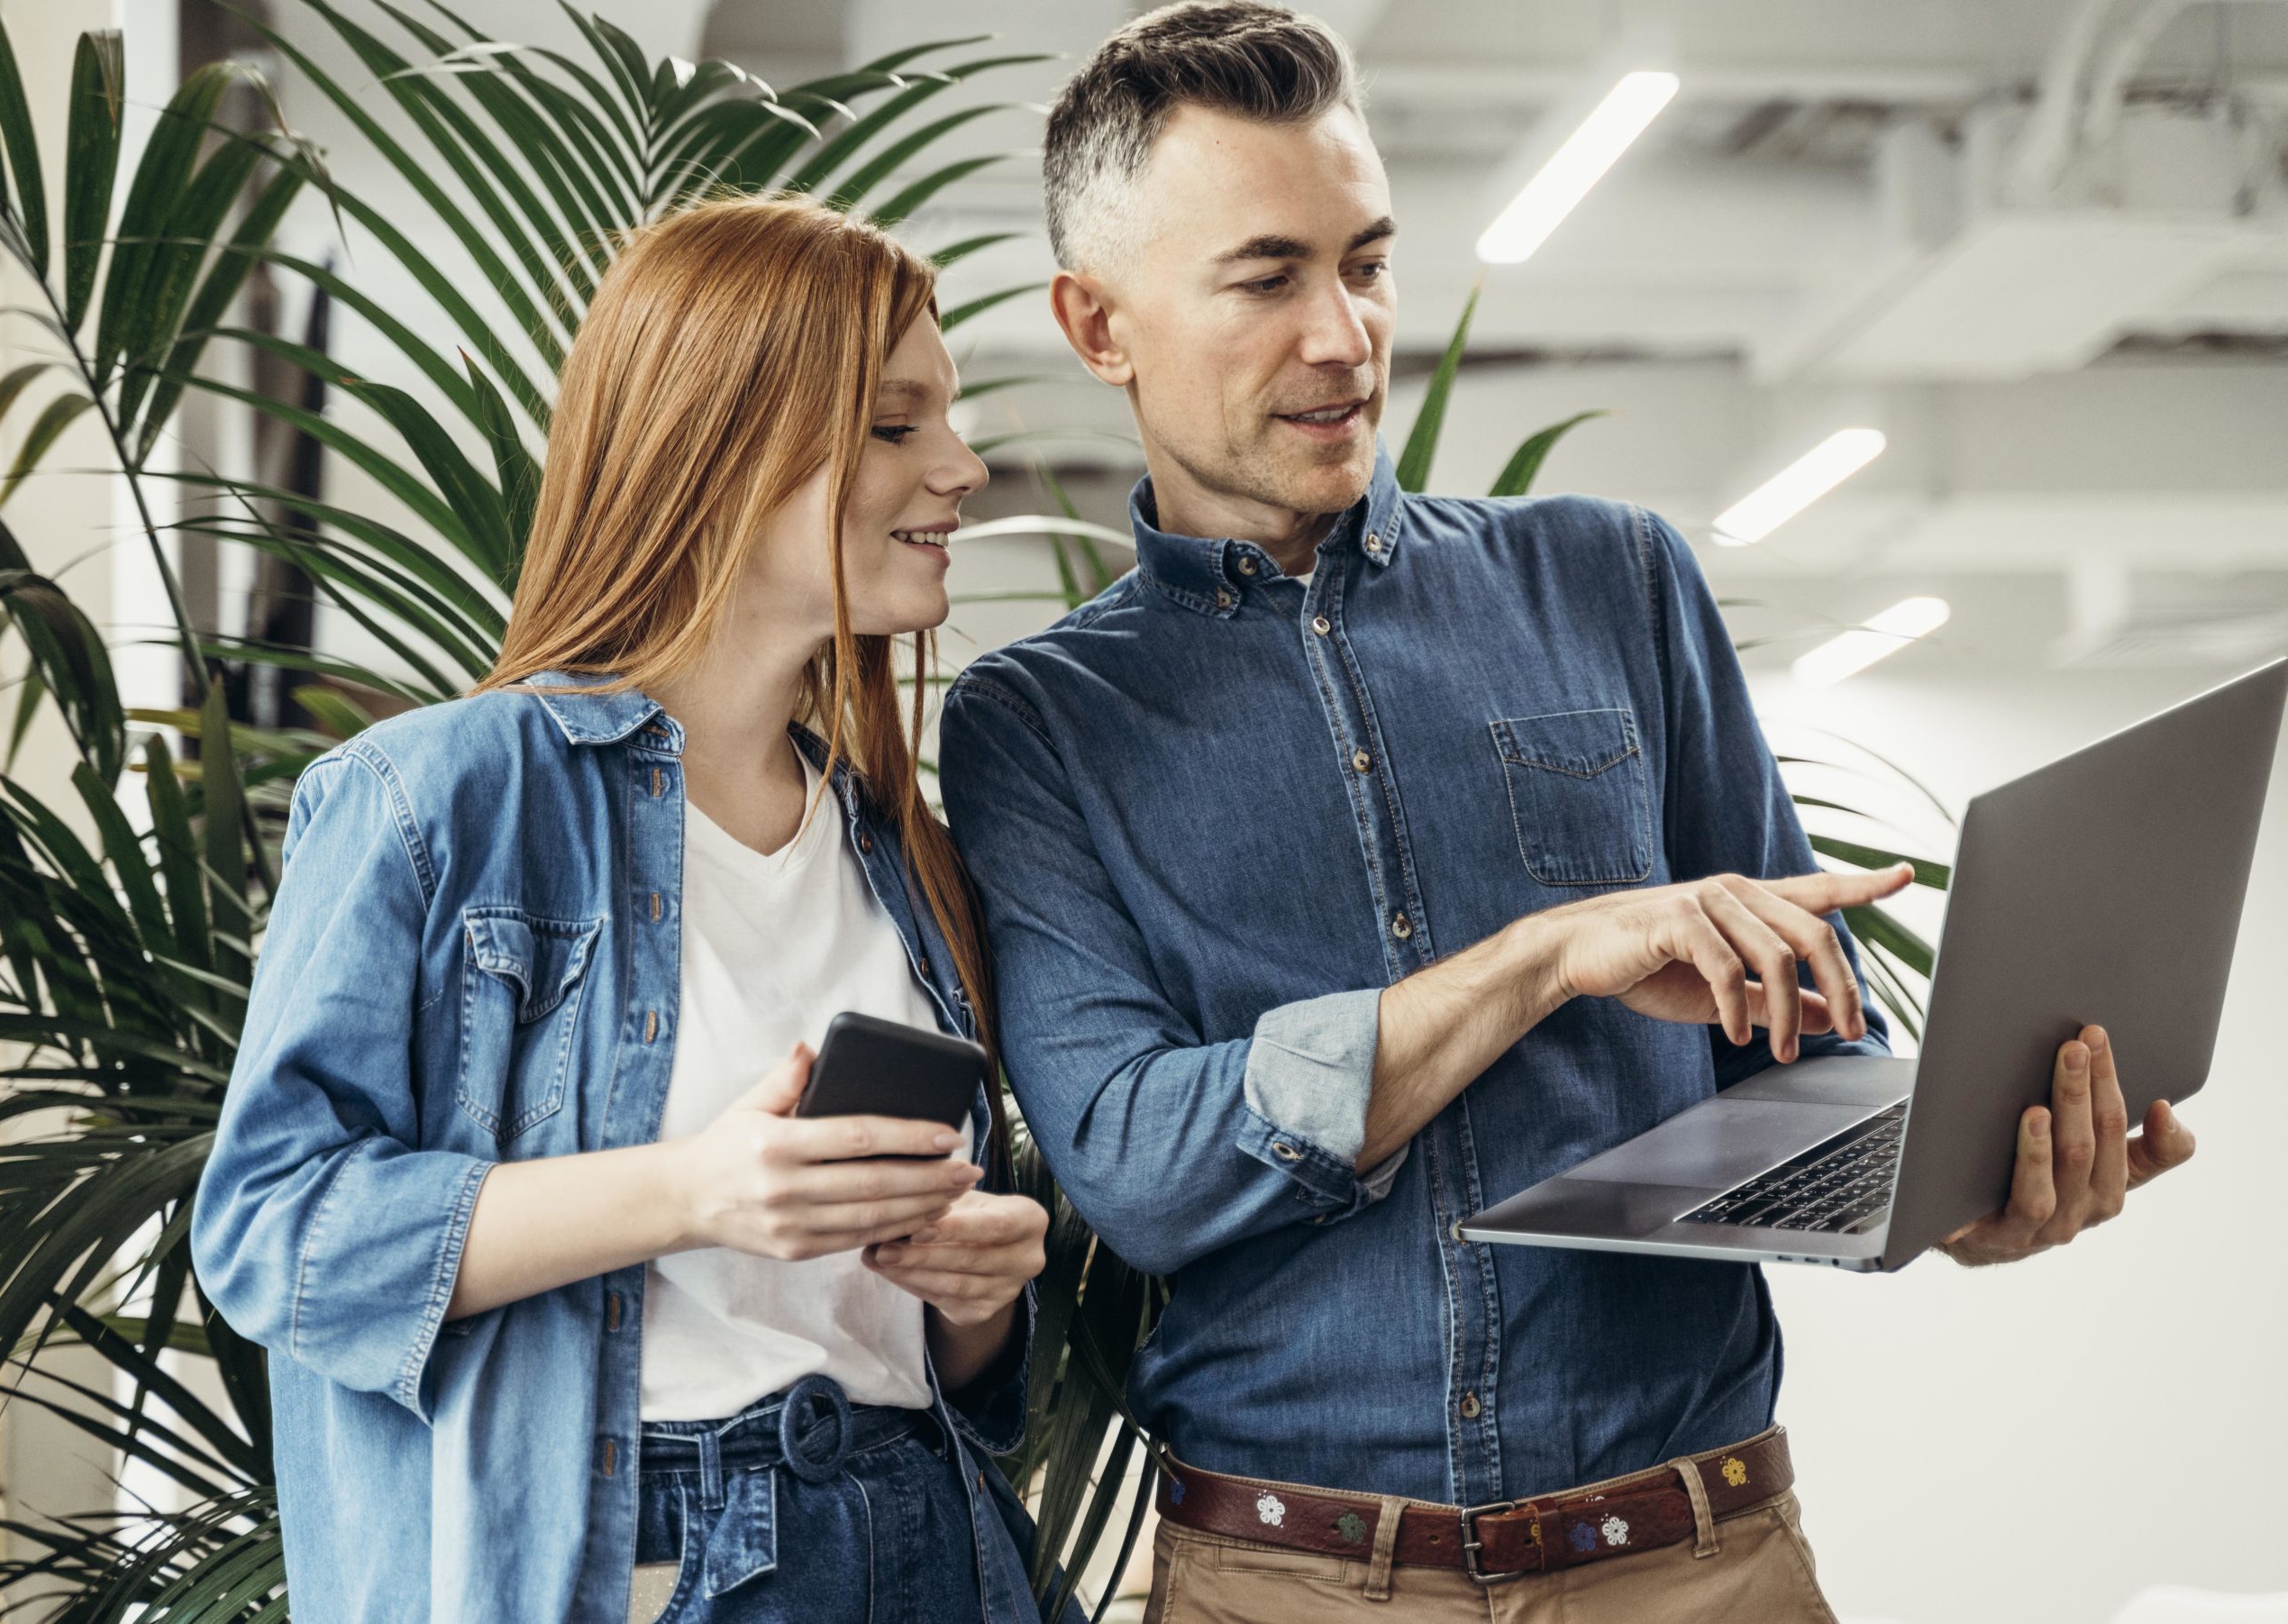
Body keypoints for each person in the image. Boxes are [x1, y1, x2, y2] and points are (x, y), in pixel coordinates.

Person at [935, 6, 2200, 1620]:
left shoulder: (1614, 581)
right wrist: (1542, 959)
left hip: (1699, 1562)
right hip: (1290, 1581)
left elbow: (1796, 1045)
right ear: (1097, 323)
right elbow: (1131, 1155)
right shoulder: (1040, 727)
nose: (1344, 335)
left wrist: (1958, 1193)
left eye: (1369, 262)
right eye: (1267, 279)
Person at [193, 193, 1057, 1624]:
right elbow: (276, 1234)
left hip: (929, 1544)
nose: (962, 467)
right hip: (656, 1558)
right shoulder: (438, 799)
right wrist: (690, 1190)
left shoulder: (900, 848)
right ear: (727, 441)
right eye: (898, 425)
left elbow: (939, 1365)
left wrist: (973, 1298)